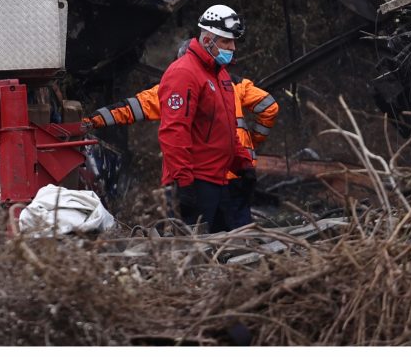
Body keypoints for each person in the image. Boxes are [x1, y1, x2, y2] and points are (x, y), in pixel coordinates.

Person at [84, 40, 279, 227]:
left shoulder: (175, 87)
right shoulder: (232, 83)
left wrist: (91, 121)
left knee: (194, 236)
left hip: (198, 179)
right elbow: (269, 106)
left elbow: (130, 109)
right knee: (237, 235)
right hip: (237, 173)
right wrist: (253, 143)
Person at [156, 5, 254, 232]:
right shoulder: (184, 73)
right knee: (192, 255)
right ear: (208, 39)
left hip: (219, 181)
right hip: (195, 183)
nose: (232, 48)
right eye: (226, 42)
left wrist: (243, 164)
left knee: (225, 253)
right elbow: (173, 131)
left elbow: (227, 126)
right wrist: (184, 182)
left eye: (233, 42)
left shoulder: (220, 75)